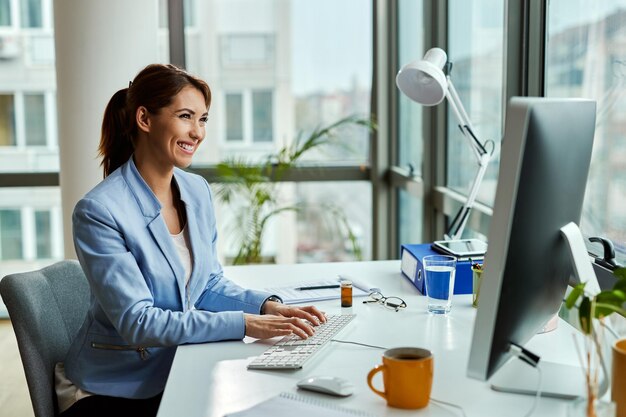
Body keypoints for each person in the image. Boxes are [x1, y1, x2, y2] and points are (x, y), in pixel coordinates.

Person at [56, 64, 326, 417]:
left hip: (174, 368)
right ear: (144, 119)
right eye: (186, 116)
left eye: (203, 119)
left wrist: (266, 307)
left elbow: (206, 284)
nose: (197, 132)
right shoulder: (99, 211)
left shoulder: (195, 190)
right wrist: (244, 323)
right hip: (111, 388)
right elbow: (139, 322)